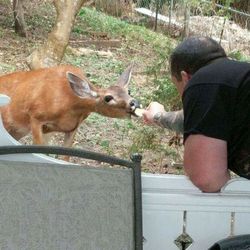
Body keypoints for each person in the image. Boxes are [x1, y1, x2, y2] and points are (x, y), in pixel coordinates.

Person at [142, 36, 250, 193]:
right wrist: (158, 116)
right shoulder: (237, 81)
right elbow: (203, 120)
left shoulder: (204, 80)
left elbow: (206, 177)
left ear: (186, 78)